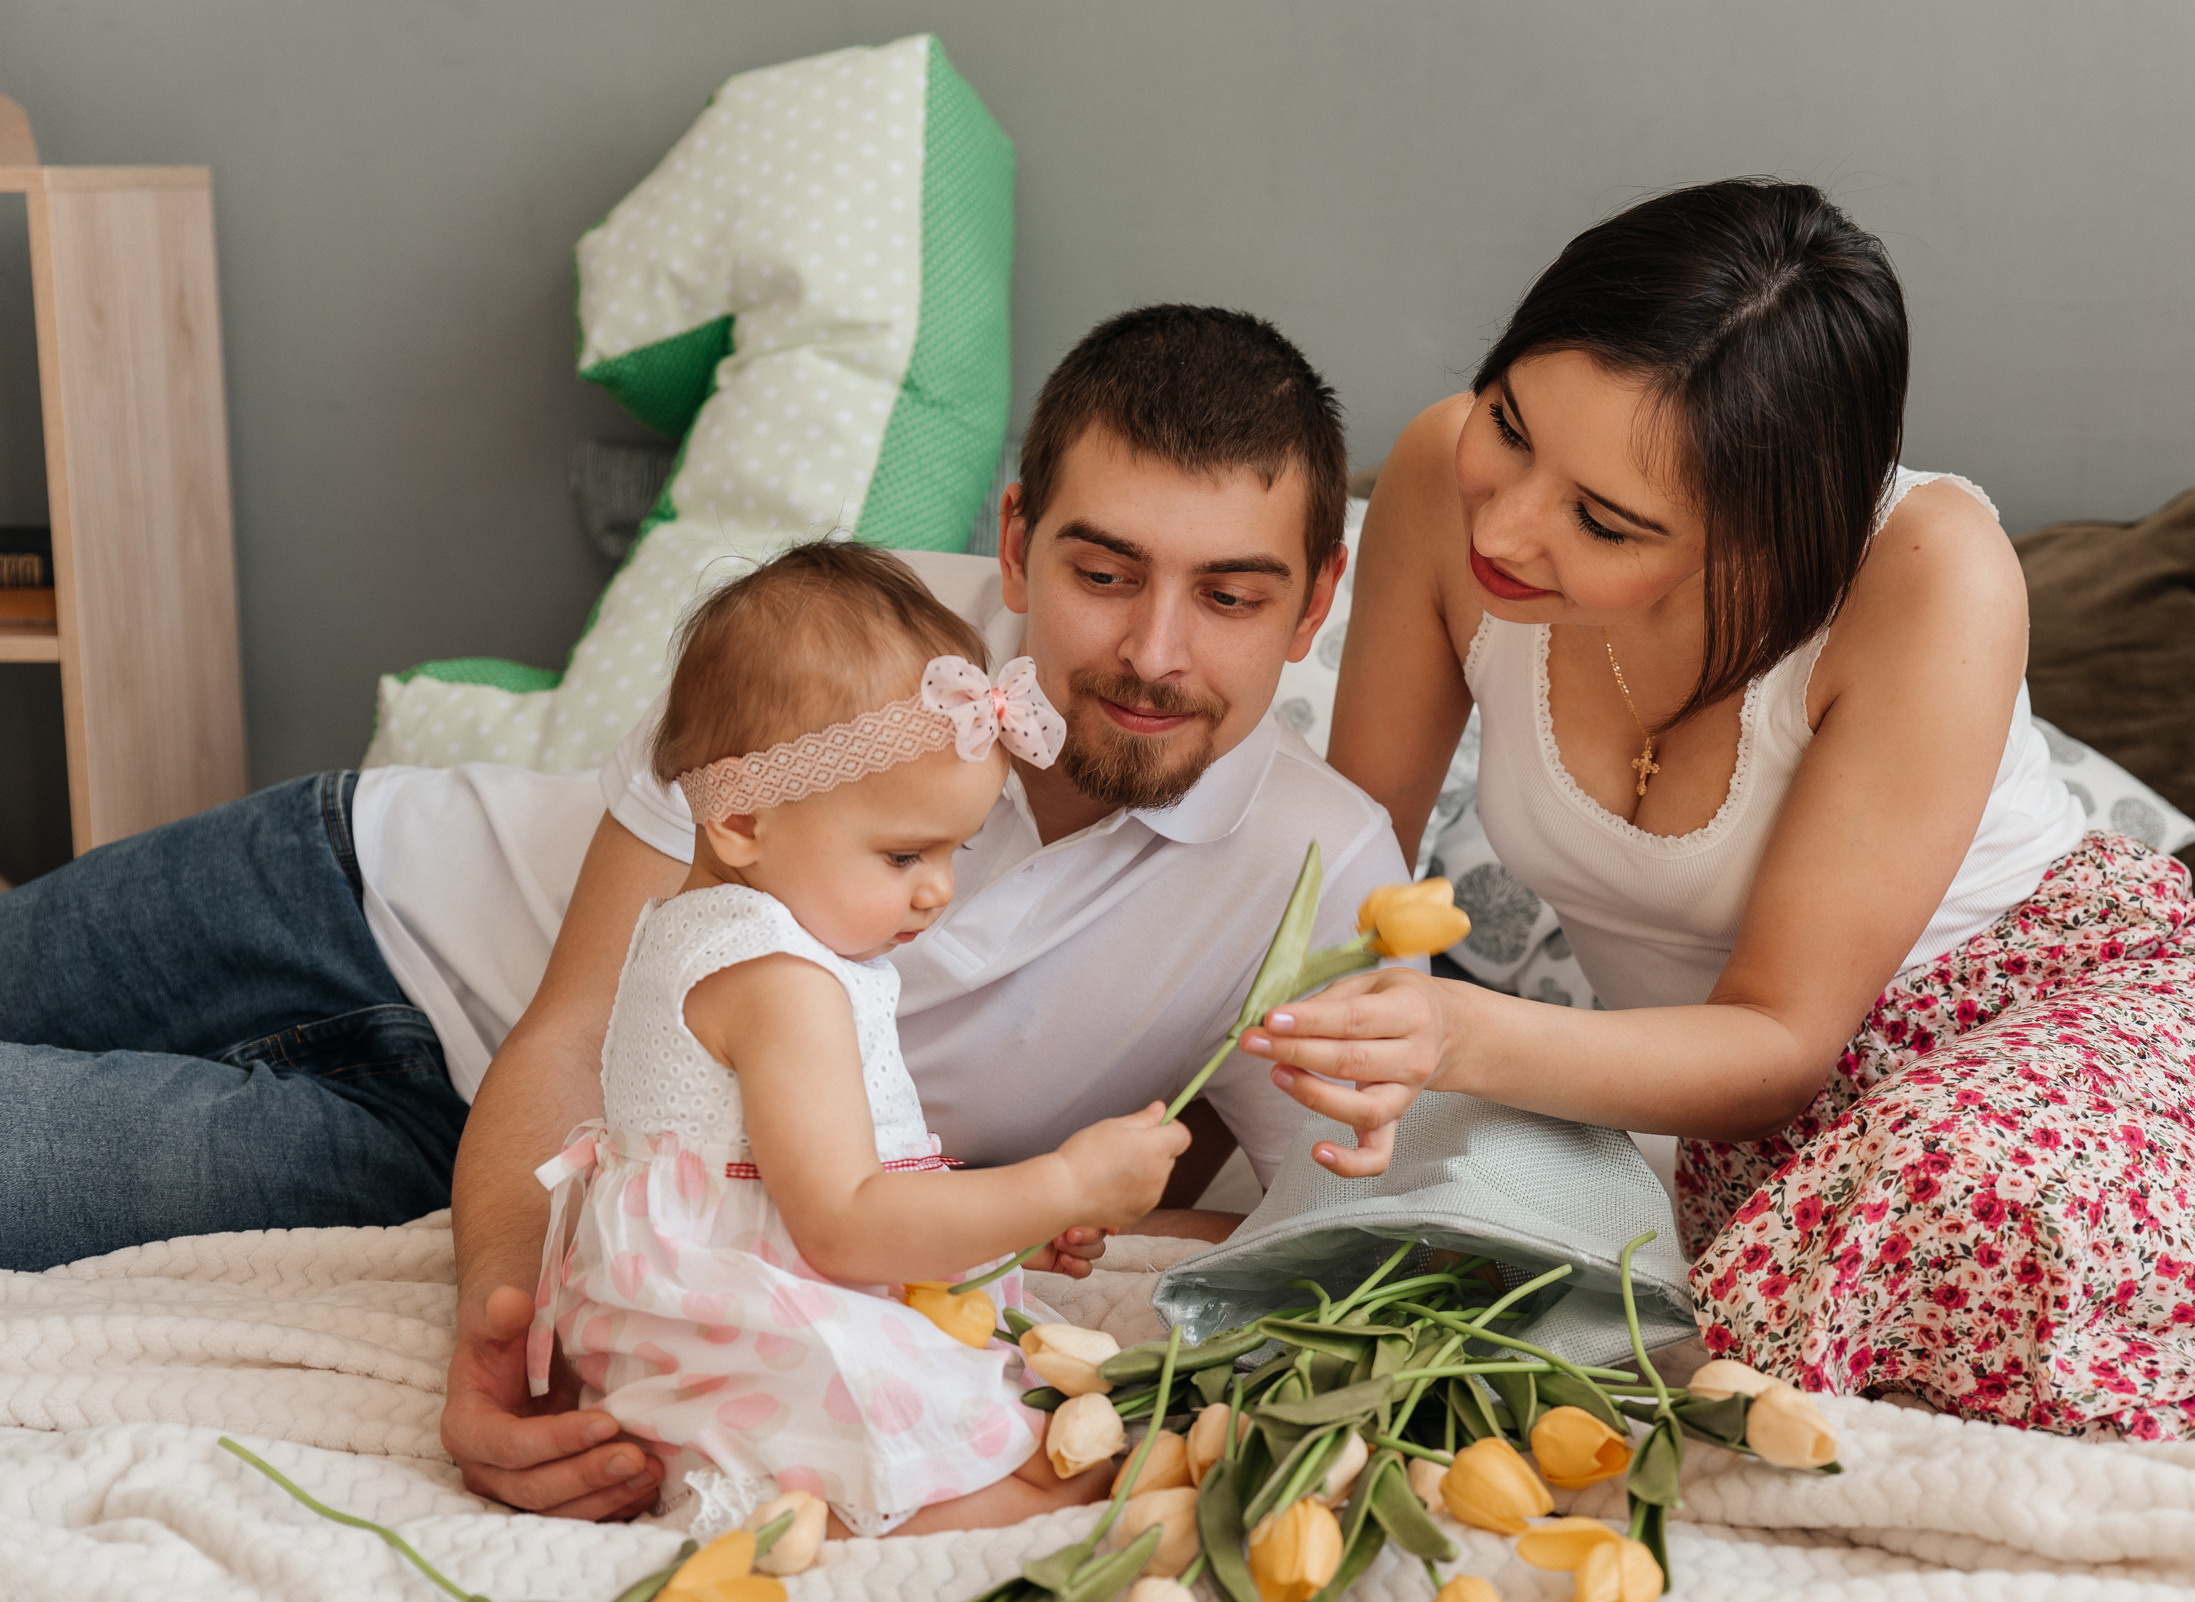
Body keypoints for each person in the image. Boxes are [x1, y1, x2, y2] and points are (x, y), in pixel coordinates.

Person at [0, 306, 1408, 1518]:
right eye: (1102, 575)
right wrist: (517, 1295)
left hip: (437, 1153)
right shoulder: (844, 639)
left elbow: (1302, 1228)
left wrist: (1034, 1226)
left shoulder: (1315, 863)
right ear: (1017, 536)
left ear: (1315, 601)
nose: (1153, 652)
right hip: (347, 891)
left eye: (1230, 594)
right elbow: (573, 1024)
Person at [1237, 179, 2195, 1460]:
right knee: (1769, 1350)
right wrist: (1212, 1174)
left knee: (1948, 1188)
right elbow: (1340, 883)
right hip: (1784, 1147)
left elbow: (1783, 1038)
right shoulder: (1437, 482)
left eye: (1606, 521)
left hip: (2103, 1037)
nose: (1506, 522)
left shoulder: (1925, 570)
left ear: (1764, 529)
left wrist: (1454, 1030)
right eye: (1510, 422)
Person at [528, 541, 1184, 1536]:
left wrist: (1001, 1222)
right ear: (742, 816)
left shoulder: (735, 935)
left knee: (1042, 1394)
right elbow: (838, 1224)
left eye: (954, 850)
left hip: (707, 1311)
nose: (939, 889)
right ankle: (830, 1517)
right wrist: (1063, 1183)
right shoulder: (777, 981)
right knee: (1030, 1450)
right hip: (730, 1326)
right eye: (904, 853)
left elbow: (845, 1184)